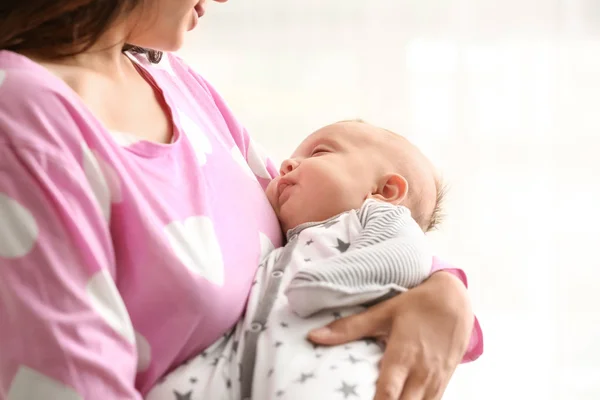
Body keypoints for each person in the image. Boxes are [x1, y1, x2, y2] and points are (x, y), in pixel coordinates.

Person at [0, 1, 482, 400]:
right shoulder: (22, 117)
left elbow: (327, 216)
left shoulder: (173, 80)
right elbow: (67, 380)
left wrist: (443, 292)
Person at [145, 120, 447, 400]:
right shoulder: (290, 242)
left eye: (319, 153)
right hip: (246, 369)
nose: (286, 165)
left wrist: (332, 281)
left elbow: (407, 256)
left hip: (335, 373)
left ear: (385, 190)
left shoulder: (378, 217)